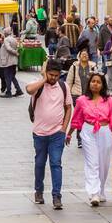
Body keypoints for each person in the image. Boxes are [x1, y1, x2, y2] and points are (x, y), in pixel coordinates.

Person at [67, 72, 112, 207]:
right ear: (89, 83)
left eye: (98, 82)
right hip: (88, 131)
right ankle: (94, 193)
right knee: (92, 163)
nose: (95, 84)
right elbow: (76, 119)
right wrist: (69, 133)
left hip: (104, 131)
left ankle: (101, 190)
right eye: (93, 81)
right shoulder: (82, 100)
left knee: (103, 164)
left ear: (102, 85)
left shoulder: (109, 101)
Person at [26, 60, 73, 210]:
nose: (53, 78)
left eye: (56, 75)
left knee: (55, 163)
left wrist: (64, 129)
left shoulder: (63, 87)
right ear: (46, 72)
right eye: (51, 75)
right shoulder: (38, 84)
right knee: (39, 163)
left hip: (57, 133)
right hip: (39, 133)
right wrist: (44, 79)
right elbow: (28, 90)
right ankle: (38, 191)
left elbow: (68, 107)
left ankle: (56, 196)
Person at [0, 26, 23, 97]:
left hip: (8, 60)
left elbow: (8, 48)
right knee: (12, 76)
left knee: (7, 76)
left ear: (5, 33)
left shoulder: (6, 39)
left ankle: (8, 92)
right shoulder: (13, 39)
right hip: (14, 60)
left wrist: (15, 52)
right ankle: (18, 90)